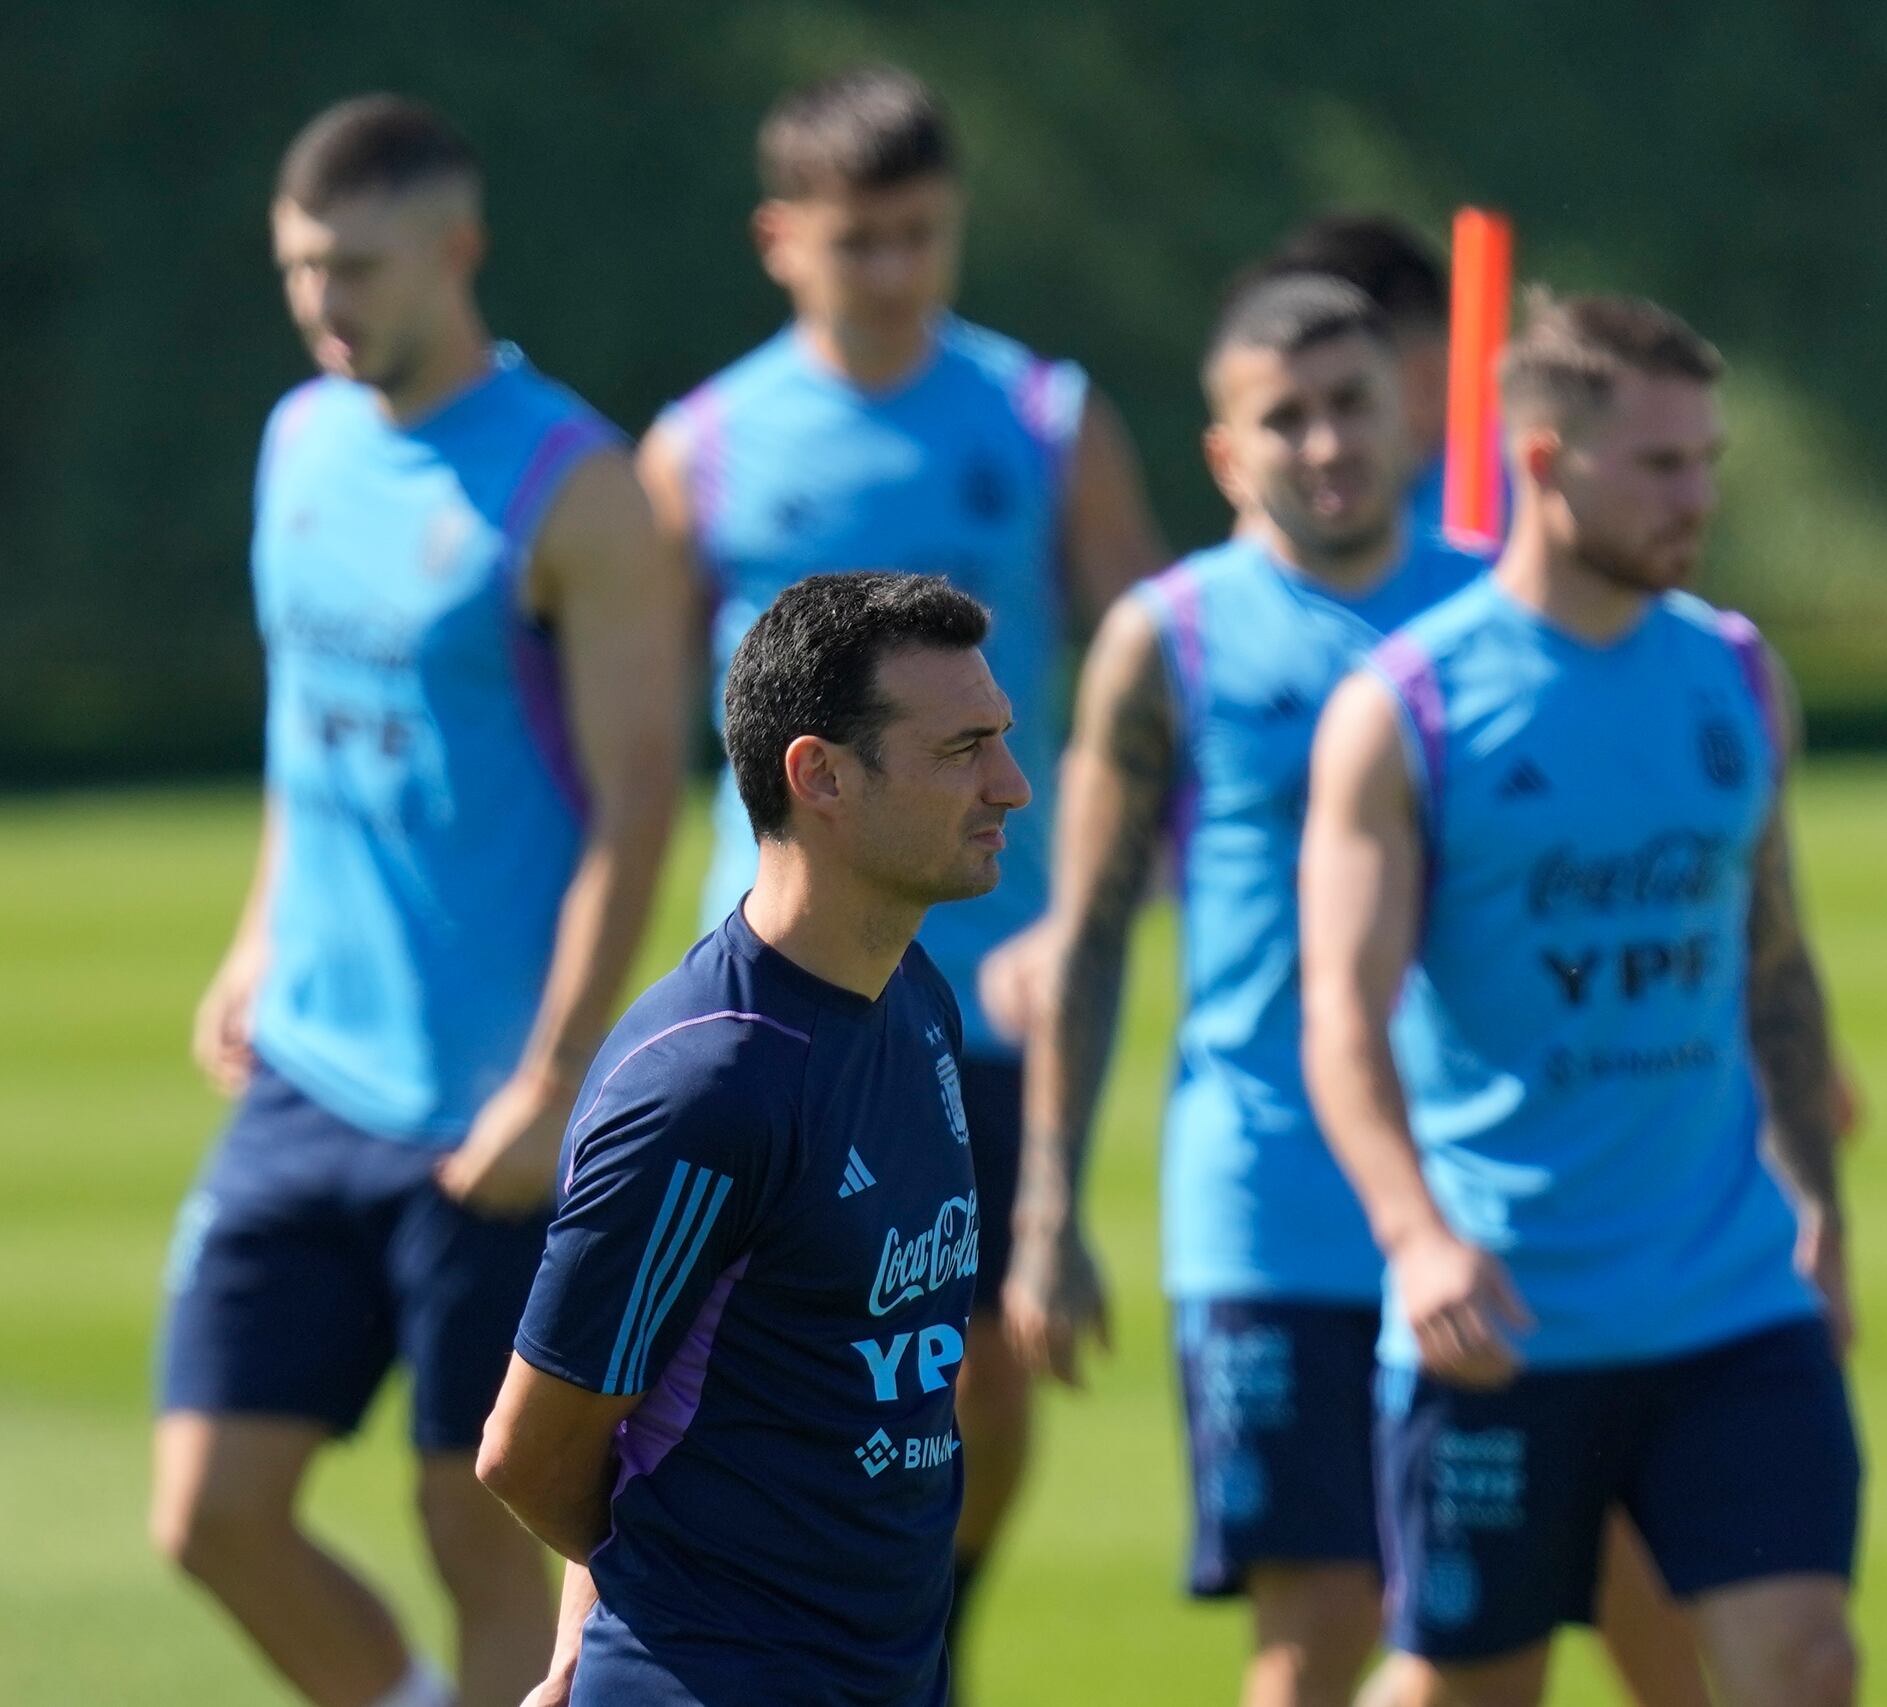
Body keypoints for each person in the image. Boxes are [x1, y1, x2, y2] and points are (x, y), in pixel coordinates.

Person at [153, 95, 686, 1707]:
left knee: (475, 1515)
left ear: (454, 251)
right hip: (310, 1072)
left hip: (490, 1103)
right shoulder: (299, 437)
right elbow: (306, 728)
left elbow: (639, 802)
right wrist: (258, 932)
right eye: (302, 268)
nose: (325, 303)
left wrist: (554, 1075)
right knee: (209, 1511)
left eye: (358, 267)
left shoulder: (573, 484)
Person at [636, 69, 1163, 1673]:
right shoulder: (705, 447)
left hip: (997, 985)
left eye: (920, 234)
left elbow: (1146, 685)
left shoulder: (1043, 420)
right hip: (791, 990)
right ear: (780, 239)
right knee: (776, 1349)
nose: (892, 271)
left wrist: (1080, 906)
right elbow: (633, 719)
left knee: (989, 1358)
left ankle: (935, 1622)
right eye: (857, 240)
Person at [1300, 291, 1863, 1707]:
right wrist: (1416, 1237)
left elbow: (1774, 968)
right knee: (1470, 1686)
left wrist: (1824, 1206)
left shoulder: (1736, 676)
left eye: (1708, 459)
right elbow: (1342, 1016)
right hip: (1505, 1310)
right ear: (1542, 461)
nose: (1701, 495)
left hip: (1728, 1302)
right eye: (1663, 464)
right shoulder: (1407, 709)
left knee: (1802, 1660)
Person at [1005, 273, 1480, 1707]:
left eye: (1353, 406)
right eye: (1287, 419)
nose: (1328, 443)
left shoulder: (1487, 614)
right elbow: (1083, 933)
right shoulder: (1172, 637)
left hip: (1469, 1185)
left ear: (1410, 419)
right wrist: (1047, 1208)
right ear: (1226, 455)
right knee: (1322, 1618)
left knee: (1490, 1621)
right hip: (1265, 1194)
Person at [479, 572, 1030, 1706]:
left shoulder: (914, 998)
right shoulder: (710, 1087)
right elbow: (533, 1449)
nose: (1011, 787)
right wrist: (654, 1597)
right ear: (819, 775)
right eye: (961, 750)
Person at [1245, 213, 1472, 543]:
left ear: (1426, 380)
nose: (1326, 448)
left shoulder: (1529, 515)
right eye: (1287, 417)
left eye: (1348, 399)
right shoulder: (1273, 537)